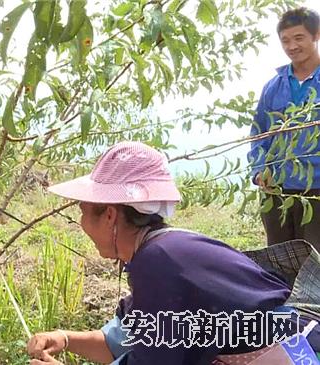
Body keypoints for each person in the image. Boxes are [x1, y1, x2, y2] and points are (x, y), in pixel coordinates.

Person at [27, 141, 320, 365]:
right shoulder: (165, 251)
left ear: (109, 216)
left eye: (84, 213)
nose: (82, 224)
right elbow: (123, 338)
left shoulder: (158, 262)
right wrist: (65, 339)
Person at [248, 7, 320, 252]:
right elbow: (259, 134)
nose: (292, 46)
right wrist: (259, 170)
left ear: (316, 35)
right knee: (278, 259)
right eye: (285, 40)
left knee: (314, 264)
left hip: (316, 191)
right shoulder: (274, 86)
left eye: (299, 38)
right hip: (277, 190)